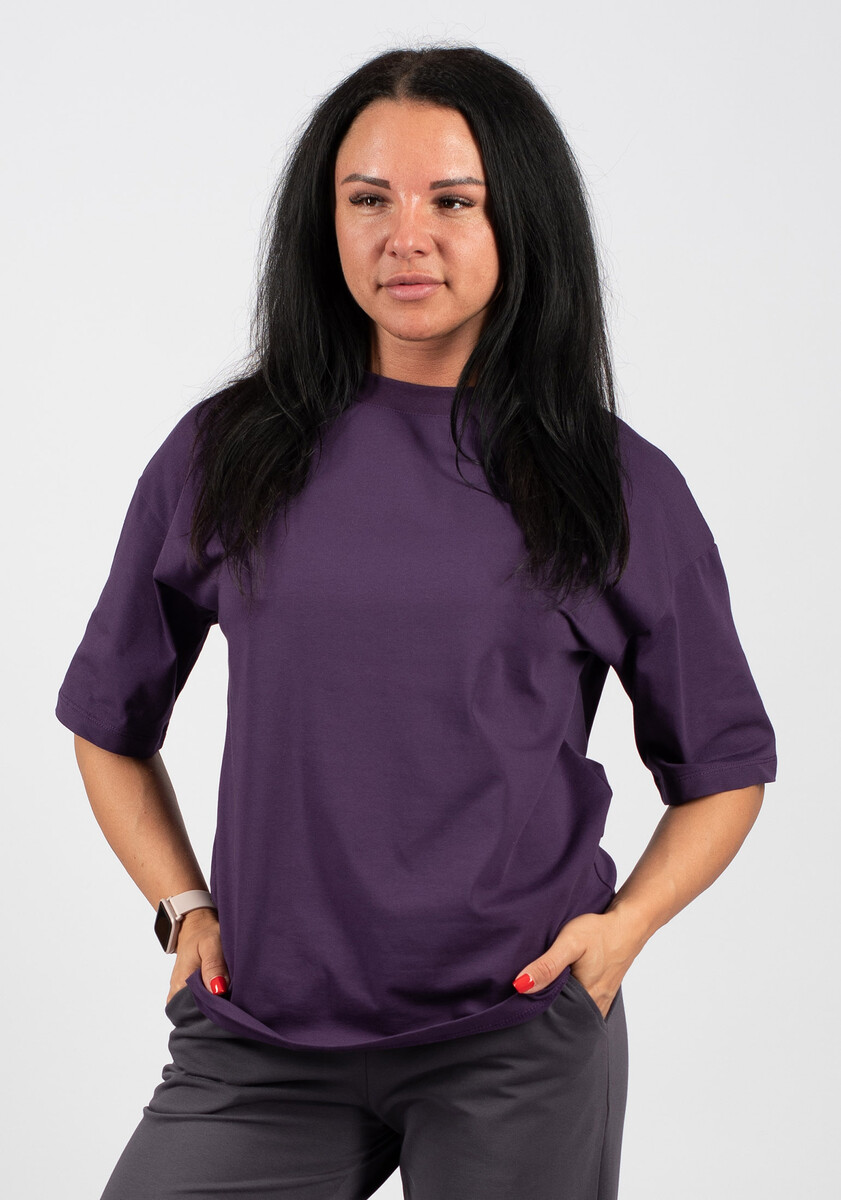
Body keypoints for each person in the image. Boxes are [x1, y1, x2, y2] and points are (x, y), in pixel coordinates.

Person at [56, 45, 777, 1200]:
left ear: (518, 219)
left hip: (512, 1038)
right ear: (323, 221)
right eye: (368, 200)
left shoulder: (611, 482)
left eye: (451, 201)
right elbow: (108, 719)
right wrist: (184, 906)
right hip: (260, 1037)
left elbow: (725, 766)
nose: (406, 237)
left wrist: (624, 929)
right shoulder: (223, 454)